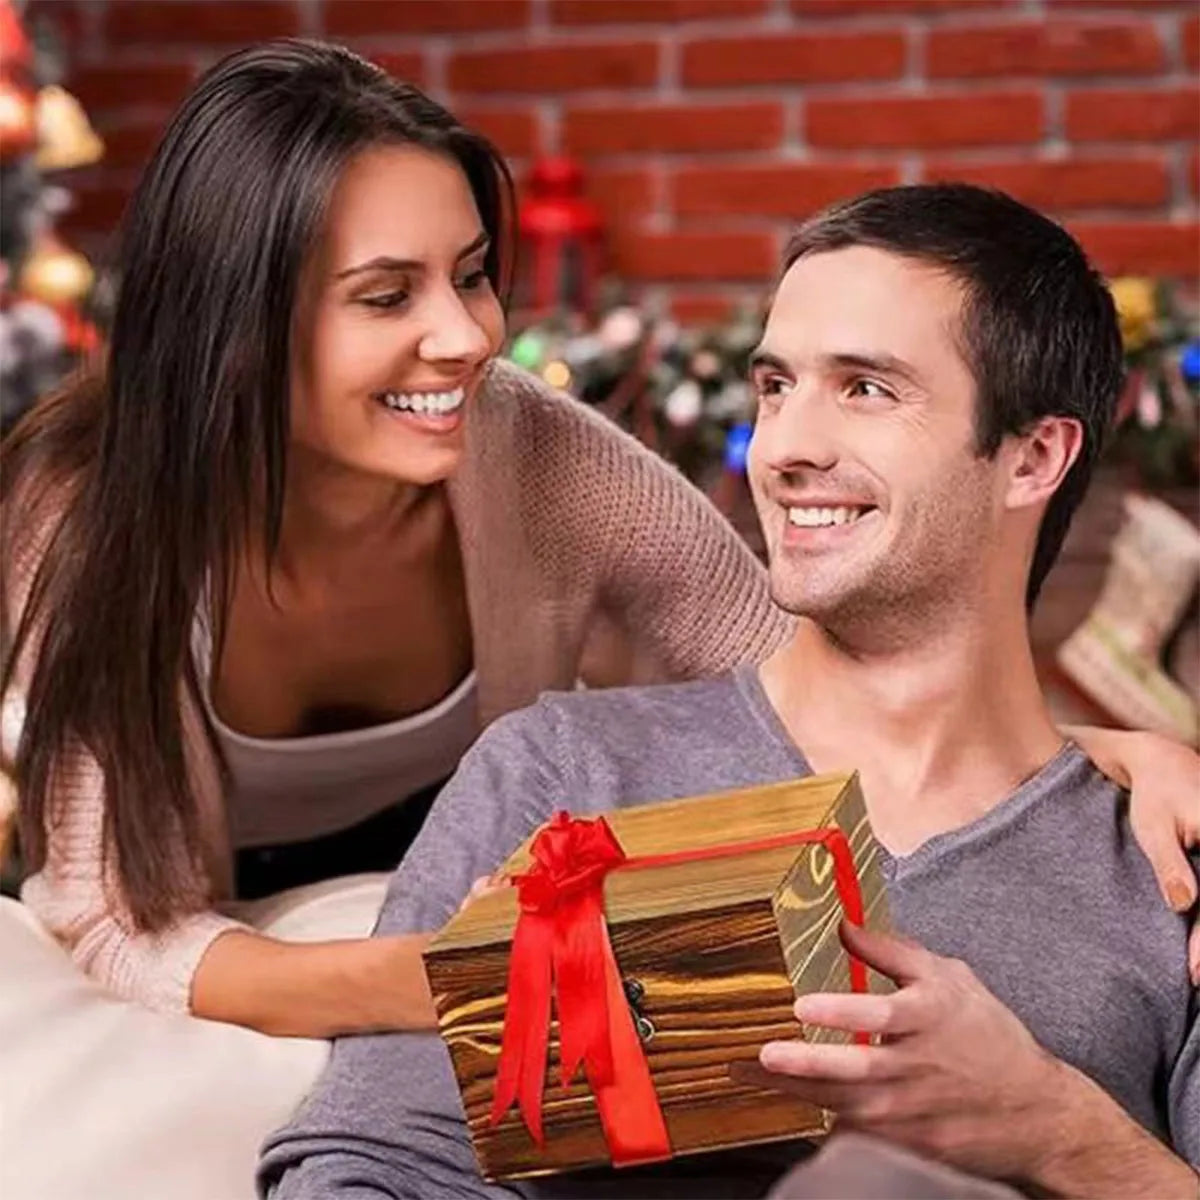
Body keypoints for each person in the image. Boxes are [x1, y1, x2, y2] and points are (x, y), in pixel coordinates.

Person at [3, 39, 1190, 1042]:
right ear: (237, 325)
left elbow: (791, 671)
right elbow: (114, 921)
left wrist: (1089, 758)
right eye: (385, 296)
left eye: (471, 276)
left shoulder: (532, 453)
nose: (466, 336)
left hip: (487, 932)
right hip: (216, 968)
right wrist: (461, 980)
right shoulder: (88, 519)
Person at [259, 185, 1199, 1199]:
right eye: (775, 385)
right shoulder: (567, 771)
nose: (785, 448)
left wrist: (1056, 1131)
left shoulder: (1164, 859)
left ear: (1033, 457)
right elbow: (373, 1168)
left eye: (866, 389)